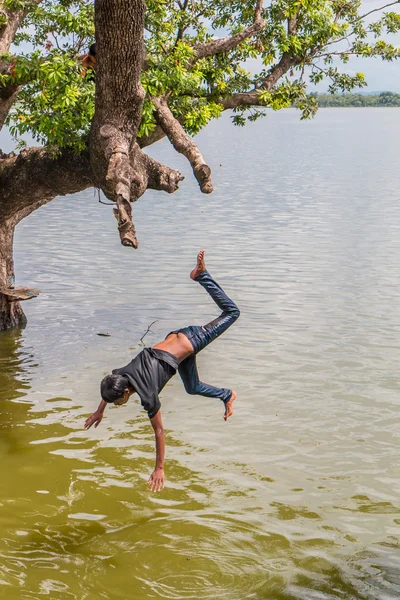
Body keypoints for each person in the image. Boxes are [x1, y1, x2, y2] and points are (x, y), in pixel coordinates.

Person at [84, 250, 240, 492]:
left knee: (232, 313)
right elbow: (111, 383)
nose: (117, 404)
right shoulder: (121, 373)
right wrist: (99, 409)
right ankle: (227, 395)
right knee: (192, 387)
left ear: (126, 393)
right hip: (179, 345)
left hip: (193, 339)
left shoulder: (147, 395)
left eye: (117, 402)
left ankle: (202, 275)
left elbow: (158, 431)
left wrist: (159, 468)